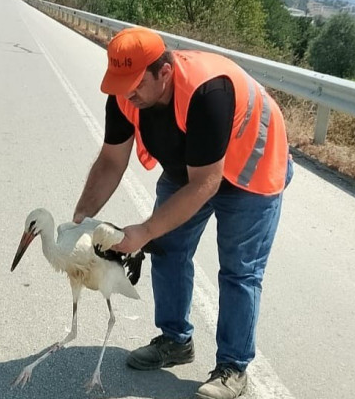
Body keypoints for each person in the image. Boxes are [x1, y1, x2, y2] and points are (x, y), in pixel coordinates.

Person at [72, 27, 293, 399]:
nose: (128, 93)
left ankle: (233, 368)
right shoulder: (125, 95)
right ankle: (175, 341)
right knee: (168, 250)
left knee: (239, 271)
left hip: (252, 169)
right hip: (192, 169)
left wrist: (142, 231)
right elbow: (111, 161)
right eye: (121, 84)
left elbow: (206, 183)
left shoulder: (208, 92)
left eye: (135, 83)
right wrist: (77, 222)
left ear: (165, 72)